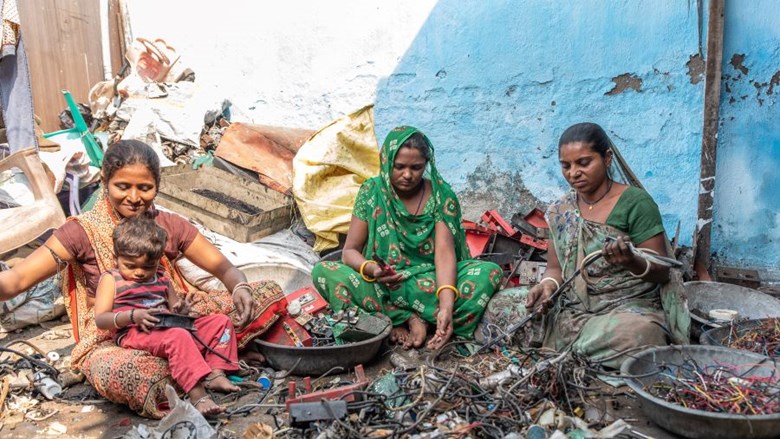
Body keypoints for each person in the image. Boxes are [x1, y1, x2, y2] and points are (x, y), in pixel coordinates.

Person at [0, 140, 287, 418]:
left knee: (267, 293)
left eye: (145, 188)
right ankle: (209, 362)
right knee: (141, 375)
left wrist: (240, 286)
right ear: (104, 181)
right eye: (122, 187)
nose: (134, 197)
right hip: (115, 335)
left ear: (158, 187)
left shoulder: (168, 224)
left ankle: (199, 363)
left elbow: (224, 269)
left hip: (169, 320)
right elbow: (16, 282)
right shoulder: (80, 233)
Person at [488, 122, 688, 368]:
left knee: (642, 334)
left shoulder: (635, 203)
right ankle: (576, 351)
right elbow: (554, 270)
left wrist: (632, 261)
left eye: (584, 163)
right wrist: (547, 287)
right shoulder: (560, 210)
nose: (573, 173)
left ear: (607, 158)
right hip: (571, 306)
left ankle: (562, 351)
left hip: (623, 308)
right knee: (499, 305)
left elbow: (661, 269)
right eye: (566, 166)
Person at [311, 126, 503, 351]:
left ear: (426, 165)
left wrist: (446, 306)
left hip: (428, 282)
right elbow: (350, 252)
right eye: (399, 167)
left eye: (416, 167)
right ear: (386, 162)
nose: (408, 175)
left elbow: (444, 254)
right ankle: (410, 318)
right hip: (383, 283)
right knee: (323, 272)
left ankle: (415, 319)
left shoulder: (442, 196)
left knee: (489, 272)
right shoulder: (371, 192)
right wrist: (373, 270)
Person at [95, 216, 239, 416]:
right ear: (116, 258)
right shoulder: (111, 279)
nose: (139, 273)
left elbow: (174, 308)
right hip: (135, 331)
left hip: (167, 326)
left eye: (148, 267)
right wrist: (132, 315)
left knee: (220, 322)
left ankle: (216, 372)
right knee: (178, 336)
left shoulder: (162, 277)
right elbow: (101, 319)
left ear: (158, 260)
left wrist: (182, 311)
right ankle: (199, 396)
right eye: (130, 265)